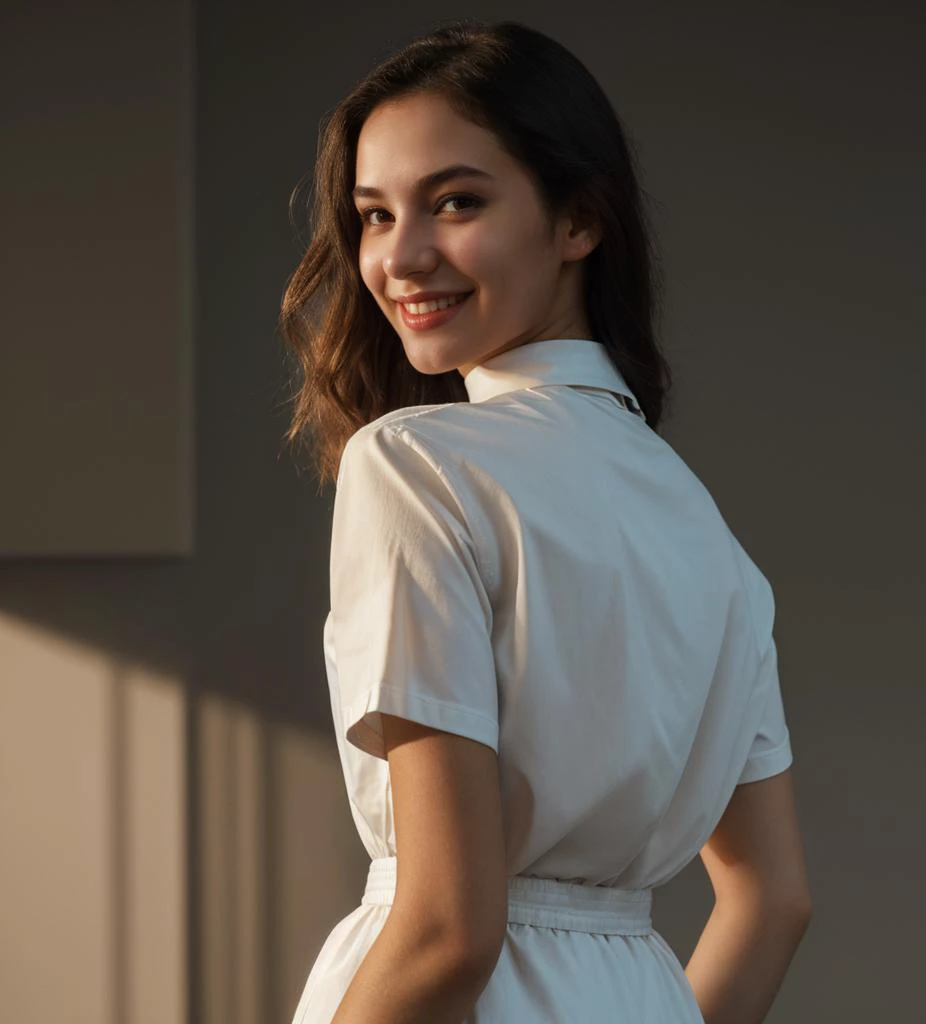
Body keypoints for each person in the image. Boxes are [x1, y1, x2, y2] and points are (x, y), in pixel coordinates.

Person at [278, 18, 812, 1024]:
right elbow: (773, 898)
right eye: (376, 215)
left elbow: (447, 932)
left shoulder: (414, 464)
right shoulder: (713, 543)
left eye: (456, 202)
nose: (402, 257)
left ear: (578, 221)